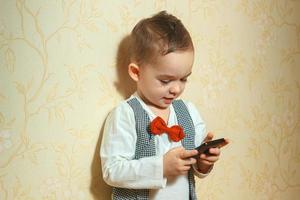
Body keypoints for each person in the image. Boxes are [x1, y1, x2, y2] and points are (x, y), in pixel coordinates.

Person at [100, 11, 229, 200]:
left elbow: (194, 168)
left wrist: (203, 162)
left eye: (184, 79)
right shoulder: (126, 114)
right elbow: (112, 170)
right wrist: (160, 168)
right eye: (165, 80)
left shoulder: (188, 112)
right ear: (136, 72)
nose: (176, 89)